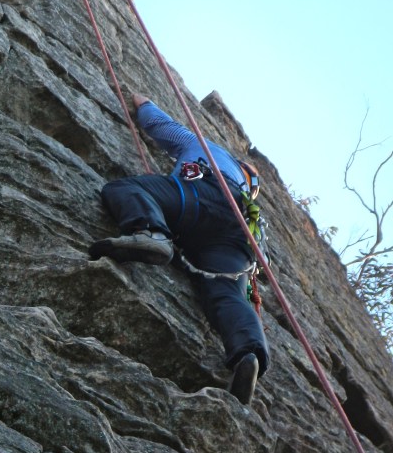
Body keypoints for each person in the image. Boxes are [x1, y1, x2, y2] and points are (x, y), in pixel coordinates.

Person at [89, 94, 269, 405]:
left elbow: (160, 125)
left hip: (203, 196)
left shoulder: (210, 149)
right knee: (226, 294)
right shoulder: (253, 211)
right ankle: (247, 354)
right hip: (237, 238)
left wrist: (142, 102)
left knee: (126, 188)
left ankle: (150, 234)